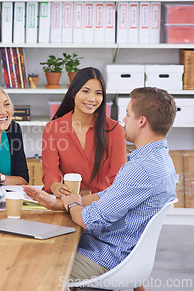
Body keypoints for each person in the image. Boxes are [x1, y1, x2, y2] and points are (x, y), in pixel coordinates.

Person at [24, 87, 177, 290]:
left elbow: (89, 220)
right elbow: (108, 196)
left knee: (28, 264)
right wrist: (60, 204)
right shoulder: (159, 159)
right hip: (121, 251)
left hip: (107, 258)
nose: (123, 120)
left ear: (142, 121)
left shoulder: (142, 168)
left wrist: (70, 205)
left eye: (128, 114)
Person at [42, 67, 126, 197]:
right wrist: (55, 186)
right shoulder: (53, 129)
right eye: (85, 91)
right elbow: (50, 174)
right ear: (74, 92)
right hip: (68, 201)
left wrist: (88, 196)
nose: (92, 99)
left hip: (104, 203)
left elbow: (119, 180)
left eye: (98, 93)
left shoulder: (114, 130)